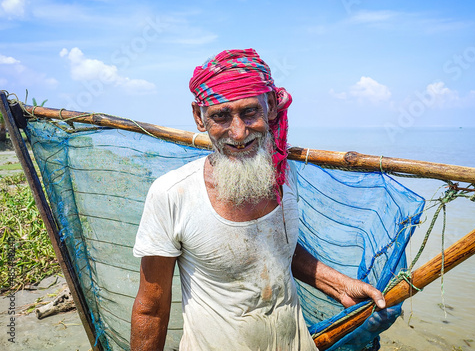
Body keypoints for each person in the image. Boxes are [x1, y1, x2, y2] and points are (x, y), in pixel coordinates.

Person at [130, 49, 387, 351]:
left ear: (273, 108)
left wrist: (339, 284)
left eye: (250, 112)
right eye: (220, 116)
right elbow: (152, 308)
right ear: (199, 118)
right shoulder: (173, 194)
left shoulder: (283, 176)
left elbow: (276, 251)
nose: (238, 133)